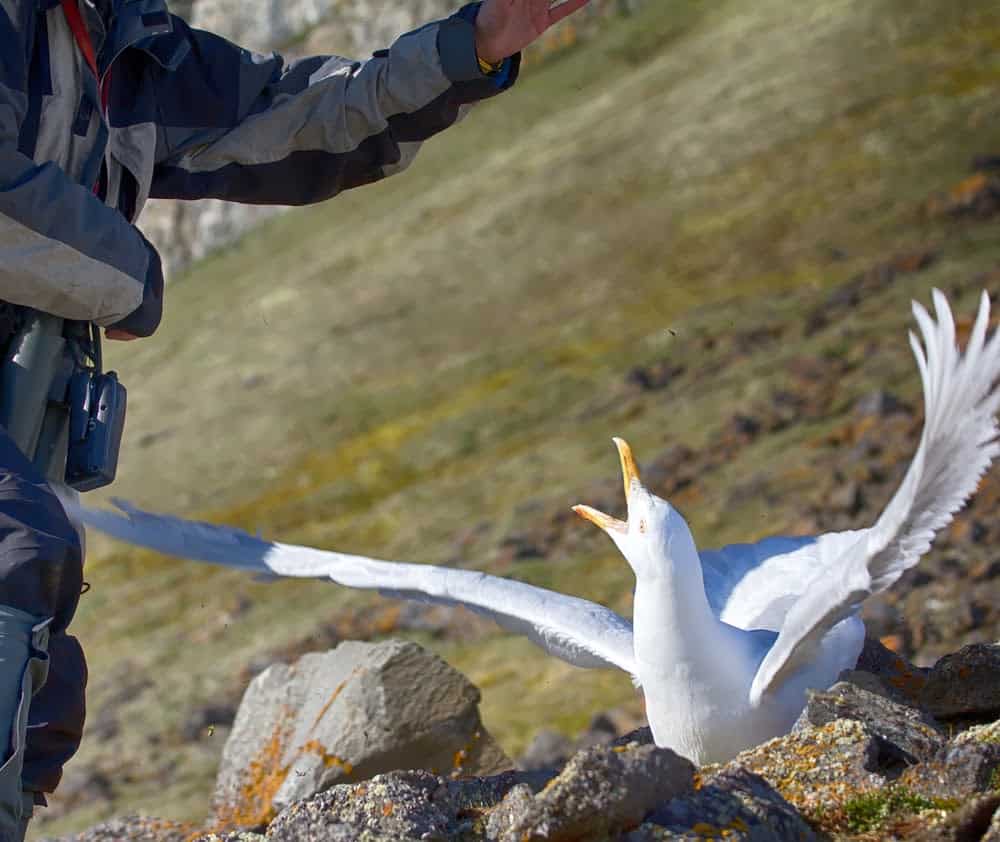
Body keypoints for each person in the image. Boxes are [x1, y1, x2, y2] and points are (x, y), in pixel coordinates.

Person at [0, 0, 589, 835]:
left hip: (30, 407)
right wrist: (126, 275)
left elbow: (295, 118)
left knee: (39, 674)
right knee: (12, 549)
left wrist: (477, 43)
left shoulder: (133, 46)